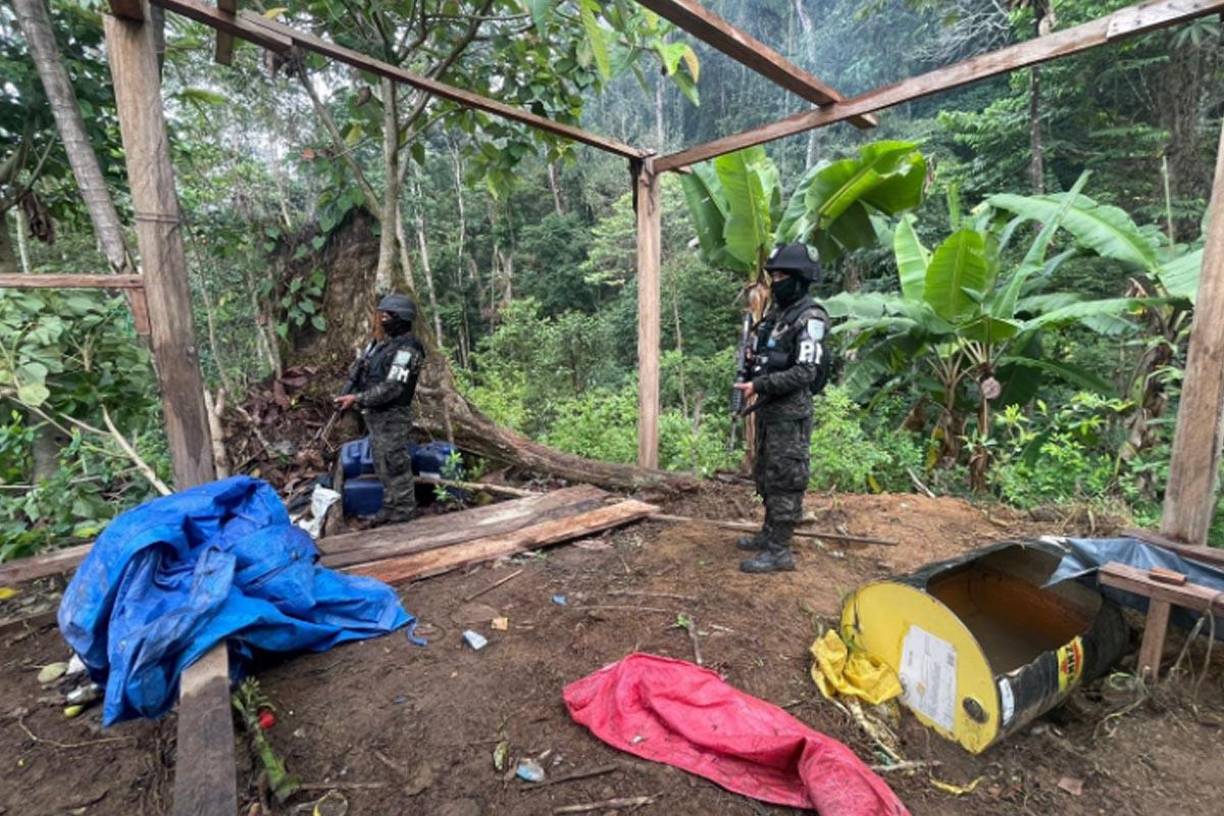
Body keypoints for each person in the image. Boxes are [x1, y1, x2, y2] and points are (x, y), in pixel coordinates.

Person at [732, 244, 830, 574]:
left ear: (800, 280)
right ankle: (769, 534)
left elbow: (805, 373)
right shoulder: (778, 316)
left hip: (790, 413)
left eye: (782, 276)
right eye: (772, 276)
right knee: (768, 475)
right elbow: (767, 355)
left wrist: (758, 386)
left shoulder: (810, 318)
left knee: (786, 477)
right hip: (770, 410)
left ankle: (780, 551)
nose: (775, 282)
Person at [333, 293, 425, 524]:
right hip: (377, 416)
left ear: (401, 318)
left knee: (396, 464)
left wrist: (358, 398)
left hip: (393, 416)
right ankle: (390, 507)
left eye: (388, 316)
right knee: (382, 465)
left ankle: (404, 510)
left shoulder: (408, 349)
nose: (383, 320)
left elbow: (393, 387)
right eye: (381, 315)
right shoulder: (384, 347)